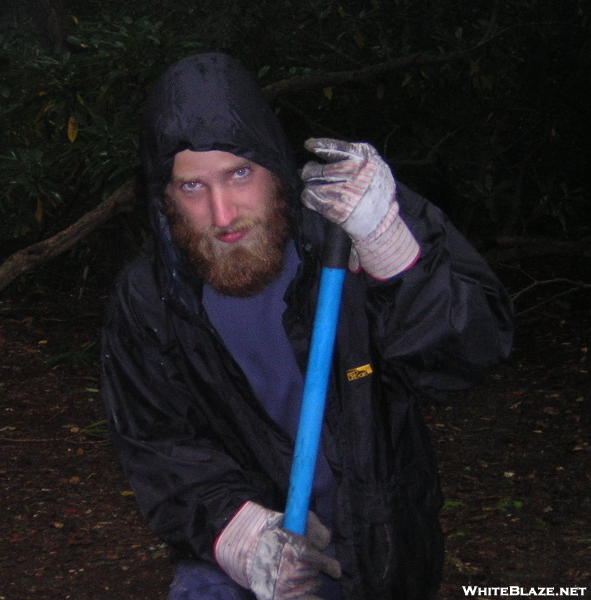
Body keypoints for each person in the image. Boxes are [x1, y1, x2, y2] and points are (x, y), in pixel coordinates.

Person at [100, 52, 514, 600]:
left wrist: (391, 249)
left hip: (383, 544)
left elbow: (472, 354)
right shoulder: (150, 301)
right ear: (164, 196)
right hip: (243, 562)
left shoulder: (353, 220)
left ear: (274, 164)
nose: (222, 215)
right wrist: (242, 536)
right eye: (192, 188)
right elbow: (157, 445)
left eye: (239, 174)